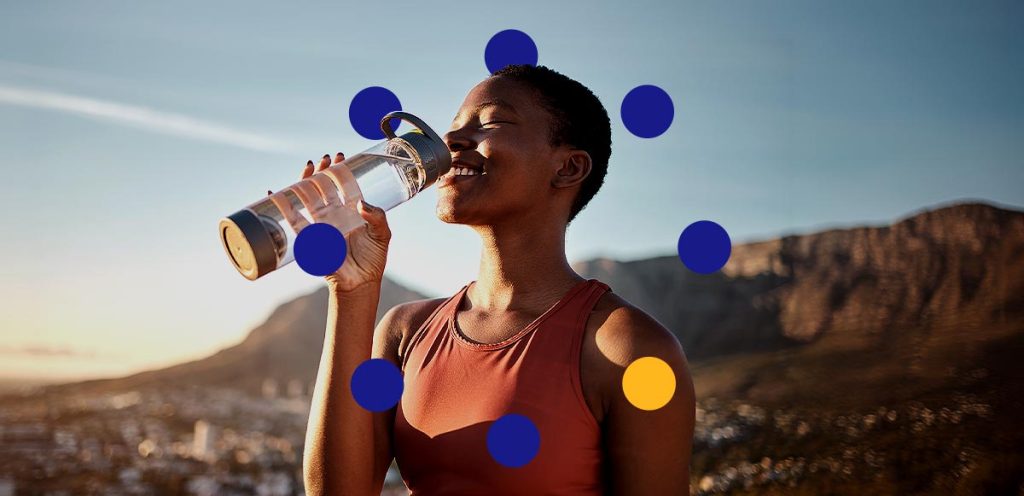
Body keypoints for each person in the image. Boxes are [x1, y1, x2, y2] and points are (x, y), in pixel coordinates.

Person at [302, 64, 695, 495]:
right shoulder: (406, 332)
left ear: (568, 168)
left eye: (492, 121)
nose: (450, 142)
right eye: (453, 127)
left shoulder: (628, 349)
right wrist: (351, 291)